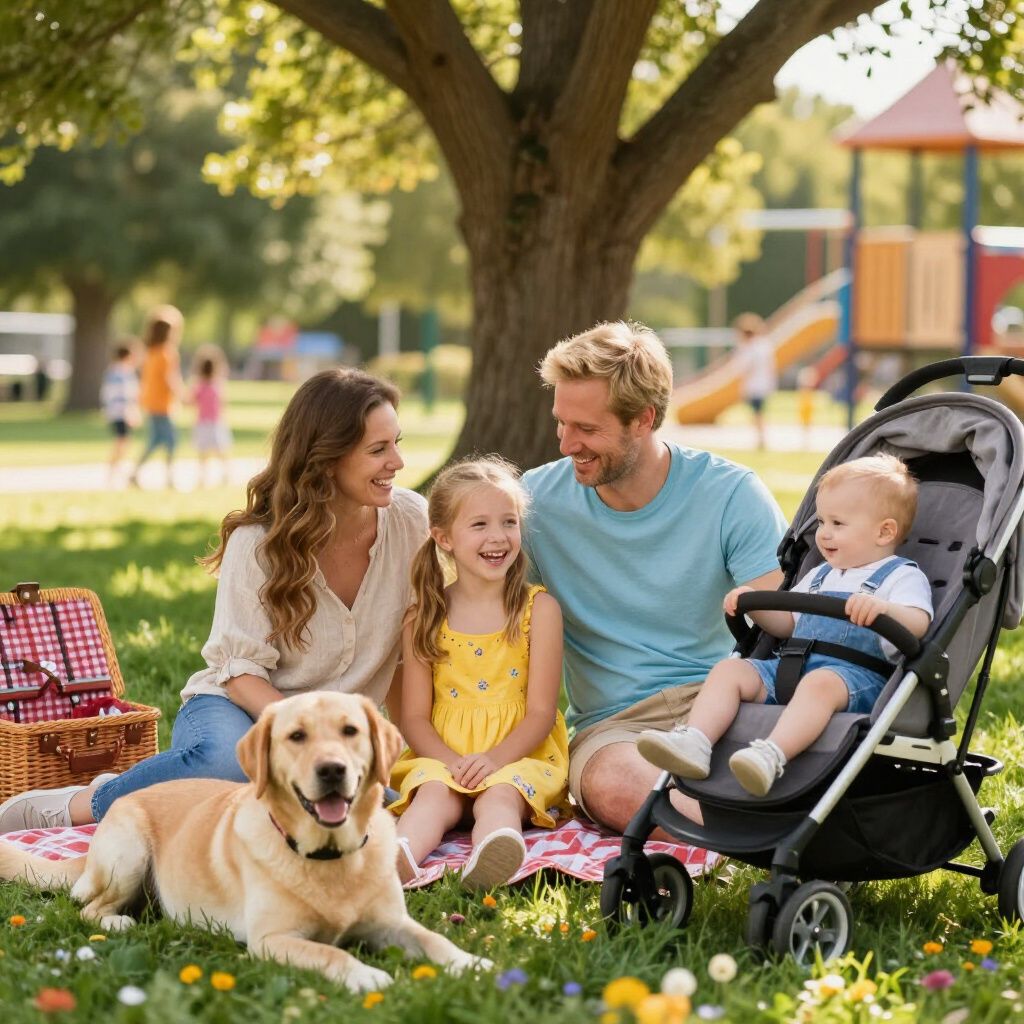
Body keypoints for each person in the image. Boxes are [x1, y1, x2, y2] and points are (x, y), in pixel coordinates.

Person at [0, 369, 427, 833]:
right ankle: (82, 804)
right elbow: (241, 673)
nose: (398, 462)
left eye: (397, 442)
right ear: (326, 459)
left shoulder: (410, 522)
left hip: (332, 740)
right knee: (226, 766)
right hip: (235, 708)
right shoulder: (259, 541)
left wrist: (413, 757)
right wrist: (305, 740)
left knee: (398, 810)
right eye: (378, 450)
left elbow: (407, 656)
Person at [520, 321, 788, 834]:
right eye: (561, 423)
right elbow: (489, 620)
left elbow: (785, 622)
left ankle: (732, 833)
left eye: (587, 430)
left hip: (723, 701)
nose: (565, 444)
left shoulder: (731, 494)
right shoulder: (534, 504)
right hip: (615, 726)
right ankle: (745, 840)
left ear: (643, 419)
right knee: (614, 787)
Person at [638, 454, 933, 796]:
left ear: (884, 532)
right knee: (729, 671)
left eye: (838, 523)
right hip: (794, 667)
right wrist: (755, 604)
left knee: (820, 683)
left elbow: (918, 624)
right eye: (821, 522)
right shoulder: (820, 574)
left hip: (853, 681)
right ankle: (696, 742)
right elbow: (788, 625)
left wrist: (883, 610)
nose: (824, 534)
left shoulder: (900, 576)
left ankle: (770, 756)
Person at [388, 457, 568, 890]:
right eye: (480, 525)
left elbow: (542, 712)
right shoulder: (424, 616)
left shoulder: (538, 610)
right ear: (443, 538)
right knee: (432, 795)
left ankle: (493, 854)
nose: (497, 537)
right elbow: (413, 716)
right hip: (443, 755)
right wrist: (452, 764)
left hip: (518, 755)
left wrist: (492, 762)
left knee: (502, 795)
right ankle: (396, 859)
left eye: (509, 522)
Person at [130, 304, 183, 489]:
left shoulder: (150, 353)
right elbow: (171, 379)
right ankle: (169, 479)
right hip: (162, 405)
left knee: (154, 441)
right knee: (170, 441)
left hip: (151, 403)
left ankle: (135, 473)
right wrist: (182, 395)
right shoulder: (167, 353)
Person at [733, 312, 776, 450]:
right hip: (764, 384)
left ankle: (761, 438)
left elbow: (745, 368)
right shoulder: (764, 346)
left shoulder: (749, 348)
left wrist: (742, 386)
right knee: (758, 412)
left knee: (757, 413)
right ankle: (761, 437)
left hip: (755, 385)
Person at [190, 348, 232, 487]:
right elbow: (223, 403)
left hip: (204, 422)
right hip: (214, 422)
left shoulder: (199, 385)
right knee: (220, 450)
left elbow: (191, 401)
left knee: (204, 451)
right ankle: (225, 473)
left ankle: (204, 476)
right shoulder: (216, 385)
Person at [99, 341, 140, 485]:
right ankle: (113, 471)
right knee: (121, 442)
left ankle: (116, 470)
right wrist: (130, 412)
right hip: (120, 413)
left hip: (117, 412)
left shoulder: (116, 371)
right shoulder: (121, 372)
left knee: (123, 442)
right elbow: (123, 396)